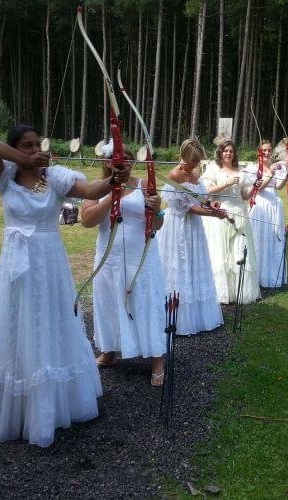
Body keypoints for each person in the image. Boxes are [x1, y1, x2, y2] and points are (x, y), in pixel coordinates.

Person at [0, 124, 128, 447]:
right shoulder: (4, 173)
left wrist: (114, 179)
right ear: (14, 148)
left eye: (38, 144)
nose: (36, 150)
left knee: (51, 323)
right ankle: (7, 410)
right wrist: (23, 160)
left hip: (50, 263)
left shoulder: (55, 175)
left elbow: (91, 191)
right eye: (27, 145)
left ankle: (53, 404)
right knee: (14, 325)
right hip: (16, 265)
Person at [80, 147, 167, 387]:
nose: (122, 163)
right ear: (107, 163)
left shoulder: (143, 185)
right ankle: (110, 352)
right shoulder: (97, 187)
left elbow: (157, 225)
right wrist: (112, 192)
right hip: (109, 259)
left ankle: (157, 361)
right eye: (116, 160)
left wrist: (157, 208)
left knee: (146, 303)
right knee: (109, 302)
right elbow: (87, 220)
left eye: (126, 159)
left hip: (141, 257)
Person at [157, 139, 224, 336]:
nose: (196, 165)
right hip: (177, 227)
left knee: (195, 265)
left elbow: (202, 197)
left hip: (194, 228)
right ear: (185, 158)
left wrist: (212, 205)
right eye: (194, 161)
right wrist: (212, 214)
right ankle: (176, 316)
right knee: (178, 265)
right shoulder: (175, 175)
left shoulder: (195, 172)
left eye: (198, 161)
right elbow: (189, 207)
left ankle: (198, 315)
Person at [201, 140, 261, 304]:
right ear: (220, 153)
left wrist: (254, 187)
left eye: (231, 151)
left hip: (239, 215)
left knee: (239, 251)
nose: (228, 154)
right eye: (225, 151)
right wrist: (226, 183)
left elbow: (245, 195)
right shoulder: (214, 169)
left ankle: (239, 291)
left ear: (234, 154)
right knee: (220, 252)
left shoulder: (241, 171)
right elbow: (206, 191)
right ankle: (221, 293)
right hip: (221, 214)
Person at [249, 140, 288, 287]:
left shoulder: (276, 167)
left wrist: (287, 175)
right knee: (259, 237)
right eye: (264, 150)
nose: (267, 153)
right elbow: (256, 189)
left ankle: (272, 275)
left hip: (275, 204)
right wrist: (269, 175)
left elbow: (278, 186)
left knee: (274, 237)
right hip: (261, 204)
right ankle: (257, 277)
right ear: (259, 151)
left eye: (269, 150)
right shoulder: (254, 168)